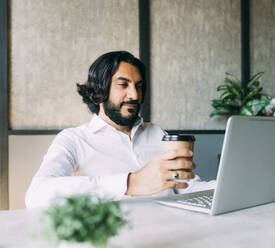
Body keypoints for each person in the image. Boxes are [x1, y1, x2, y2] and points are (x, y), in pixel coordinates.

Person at [25, 51, 214, 208]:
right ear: (100, 91)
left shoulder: (157, 133)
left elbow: (184, 186)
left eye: (139, 87)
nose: (134, 95)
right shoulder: (73, 139)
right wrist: (130, 183)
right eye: (123, 85)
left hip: (173, 232)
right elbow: (36, 195)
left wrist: (228, 187)